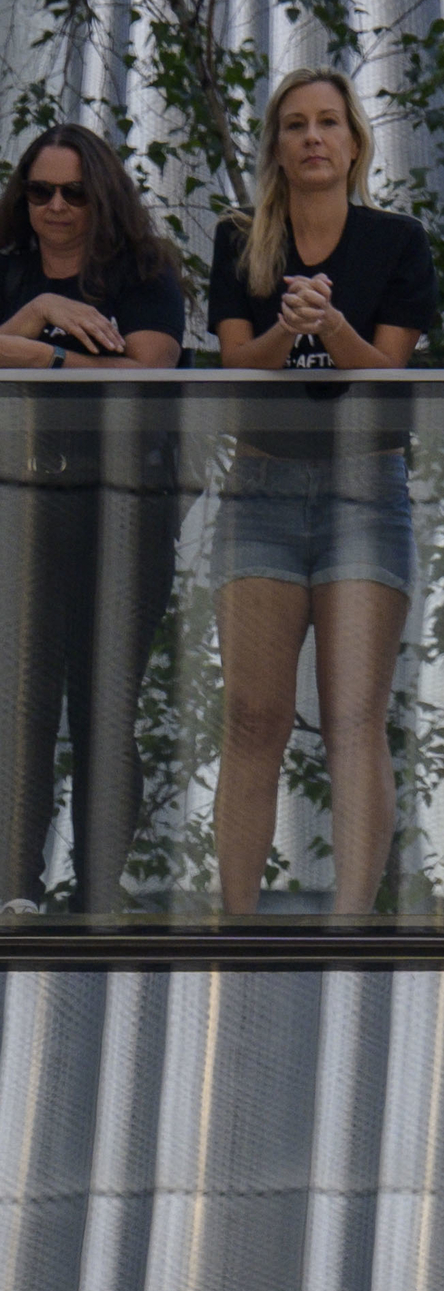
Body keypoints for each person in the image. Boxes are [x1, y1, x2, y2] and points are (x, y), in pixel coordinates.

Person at [209, 68, 439, 915]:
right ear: (276, 146)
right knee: (253, 717)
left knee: (353, 719)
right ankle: (234, 920)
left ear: (353, 143)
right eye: (295, 125)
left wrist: (333, 328)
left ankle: (350, 923)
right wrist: (286, 330)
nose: (312, 138)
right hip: (261, 483)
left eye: (328, 124)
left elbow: (388, 376)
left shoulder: (397, 241)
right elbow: (235, 367)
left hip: (365, 486)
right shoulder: (242, 239)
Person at [0, 123, 187, 915]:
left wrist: (37, 353)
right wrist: (39, 311)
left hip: (123, 508)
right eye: (40, 191)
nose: (56, 207)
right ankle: (16, 888)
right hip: (20, 502)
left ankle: (99, 891)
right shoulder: (8, 272)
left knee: (105, 702)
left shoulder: (144, 270)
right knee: (22, 703)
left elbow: (149, 368)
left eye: (74, 191)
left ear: (101, 194)